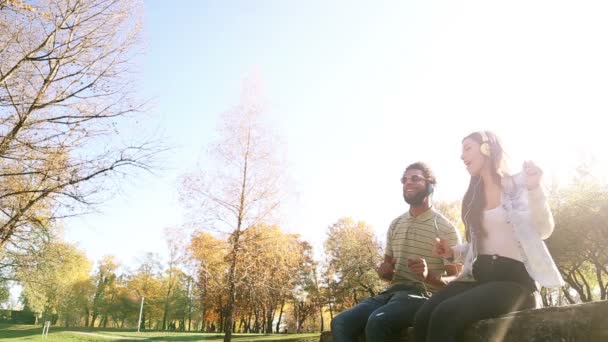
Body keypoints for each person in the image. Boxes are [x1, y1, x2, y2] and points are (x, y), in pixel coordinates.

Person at [413, 131, 565, 342]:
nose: (462, 156)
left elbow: (544, 229)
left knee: (446, 314)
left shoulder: (519, 185)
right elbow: (481, 243)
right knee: (422, 316)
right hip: (480, 279)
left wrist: (534, 188)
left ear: (487, 148)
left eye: (467, 148)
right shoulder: (475, 196)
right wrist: (451, 252)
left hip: (515, 283)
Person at [331, 162, 462, 342]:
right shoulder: (396, 224)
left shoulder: (446, 228)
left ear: (430, 185)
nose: (407, 183)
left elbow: (458, 280)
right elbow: (388, 272)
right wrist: (384, 272)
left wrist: (428, 276)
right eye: (404, 180)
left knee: (377, 322)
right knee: (340, 322)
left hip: (423, 295)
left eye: (415, 178)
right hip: (390, 294)